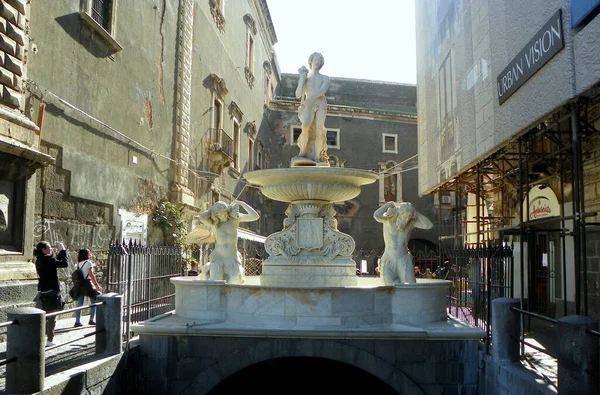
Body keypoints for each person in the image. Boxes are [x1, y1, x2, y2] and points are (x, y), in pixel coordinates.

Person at [198, 200, 259, 284]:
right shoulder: (214, 224)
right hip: (218, 257)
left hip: (232, 257)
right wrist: (213, 209)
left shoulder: (235, 219)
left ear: (227, 211)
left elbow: (255, 216)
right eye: (218, 214)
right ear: (215, 215)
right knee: (215, 280)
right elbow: (202, 217)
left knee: (236, 280)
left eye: (223, 213)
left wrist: (241, 203)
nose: (221, 215)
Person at [373, 201, 434, 285]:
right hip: (389, 258)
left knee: (410, 285)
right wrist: (389, 204)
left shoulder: (411, 222)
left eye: (409, 217)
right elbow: (376, 215)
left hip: (404, 258)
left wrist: (414, 212)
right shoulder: (388, 218)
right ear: (400, 213)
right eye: (405, 216)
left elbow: (428, 225)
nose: (406, 218)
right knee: (388, 284)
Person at [293, 52, 330, 165]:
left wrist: (311, 98)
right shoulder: (305, 77)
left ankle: (317, 156)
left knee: (319, 129)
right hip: (309, 105)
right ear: (311, 61)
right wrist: (301, 79)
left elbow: (322, 91)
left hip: (320, 103)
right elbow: (298, 94)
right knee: (305, 127)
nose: (317, 62)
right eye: (315, 60)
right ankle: (303, 152)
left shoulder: (325, 78)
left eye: (319, 60)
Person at [33, 241, 68, 347]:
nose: (50, 249)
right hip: (52, 292)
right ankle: (50, 339)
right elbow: (64, 263)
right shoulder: (49, 260)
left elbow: (54, 262)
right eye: (48, 247)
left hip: (44, 291)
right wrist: (63, 251)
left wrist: (58, 254)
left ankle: (38, 338)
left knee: (45, 316)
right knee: (52, 317)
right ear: (43, 250)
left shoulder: (39, 260)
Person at [73, 249, 103, 327]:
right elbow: (91, 275)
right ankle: (91, 320)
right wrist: (97, 285)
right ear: (86, 254)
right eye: (89, 252)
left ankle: (77, 321)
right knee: (94, 301)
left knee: (80, 303)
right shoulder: (89, 263)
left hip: (80, 285)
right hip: (87, 284)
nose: (90, 253)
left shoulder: (78, 264)